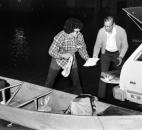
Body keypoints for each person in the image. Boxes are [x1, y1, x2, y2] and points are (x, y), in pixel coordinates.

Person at [45, 18, 90, 94]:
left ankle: (80, 99)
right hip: (57, 60)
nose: (78, 33)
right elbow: (51, 51)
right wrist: (62, 55)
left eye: (79, 31)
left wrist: (87, 58)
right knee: (49, 82)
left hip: (71, 59)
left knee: (76, 81)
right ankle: (43, 98)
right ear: (70, 30)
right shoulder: (60, 37)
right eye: (76, 31)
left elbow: (82, 48)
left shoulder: (79, 36)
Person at [93, 16, 128, 99]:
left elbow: (125, 45)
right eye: (105, 26)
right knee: (103, 75)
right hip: (106, 53)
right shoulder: (101, 31)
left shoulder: (121, 31)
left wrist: (121, 56)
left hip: (117, 54)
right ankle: (101, 97)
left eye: (108, 26)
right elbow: (98, 45)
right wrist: (94, 56)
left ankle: (123, 95)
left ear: (114, 25)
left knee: (122, 74)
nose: (106, 28)